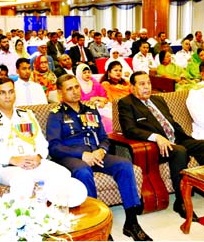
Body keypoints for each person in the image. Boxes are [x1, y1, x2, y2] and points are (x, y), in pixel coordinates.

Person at [46, 75, 152, 241]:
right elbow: (54, 146)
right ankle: (98, 225)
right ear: (60, 93)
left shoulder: (90, 109)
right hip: (72, 157)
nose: (75, 92)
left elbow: (103, 136)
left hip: (97, 154)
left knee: (124, 165)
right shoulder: (56, 114)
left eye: (76, 87)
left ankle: (132, 222)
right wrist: (82, 155)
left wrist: (102, 150)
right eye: (69, 89)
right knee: (83, 171)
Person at [118, 71, 204, 221]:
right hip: (155, 146)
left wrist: (186, 137)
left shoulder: (158, 100)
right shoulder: (126, 103)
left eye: (149, 83)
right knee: (180, 151)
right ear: (132, 87)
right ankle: (181, 201)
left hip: (177, 139)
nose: (147, 87)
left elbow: (171, 123)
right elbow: (129, 129)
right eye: (142, 84)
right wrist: (156, 137)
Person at [0, 77, 84, 199]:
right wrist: (12, 159)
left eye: (11, 92)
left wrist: (38, 157)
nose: (8, 96)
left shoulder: (27, 115)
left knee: (62, 173)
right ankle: (21, 215)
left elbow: (42, 143)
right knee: (23, 181)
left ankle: (50, 209)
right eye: (2, 93)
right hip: (7, 167)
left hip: (34, 163)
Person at [76, 63, 112, 133]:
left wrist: (101, 101)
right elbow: (79, 100)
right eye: (84, 73)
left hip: (99, 105)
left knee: (111, 109)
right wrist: (94, 99)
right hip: (85, 108)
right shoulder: (76, 85)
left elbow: (103, 95)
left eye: (89, 72)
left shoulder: (93, 81)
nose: (87, 74)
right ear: (79, 74)